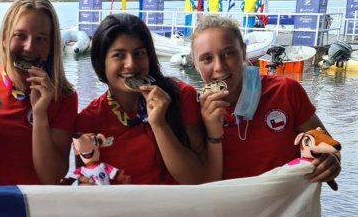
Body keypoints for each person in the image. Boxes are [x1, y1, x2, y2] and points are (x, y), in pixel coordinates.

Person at [75, 13, 223, 185]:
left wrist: (159, 124)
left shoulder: (181, 96)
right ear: (100, 62)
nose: (131, 64)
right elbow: (88, 183)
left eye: (139, 53)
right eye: (118, 55)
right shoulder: (88, 121)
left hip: (178, 209)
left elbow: (196, 179)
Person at [190, 15, 341, 183]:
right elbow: (196, 180)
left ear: (243, 51)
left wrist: (330, 161)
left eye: (228, 53)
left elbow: (328, 145)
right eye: (207, 59)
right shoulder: (192, 111)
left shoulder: (285, 91)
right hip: (227, 208)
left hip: (283, 206)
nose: (219, 67)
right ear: (195, 64)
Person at [0, 0, 78, 186]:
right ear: (5, 38)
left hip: (39, 210)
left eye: (40, 39)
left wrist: (40, 114)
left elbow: (52, 178)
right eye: (20, 36)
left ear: (51, 46)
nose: (29, 47)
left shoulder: (64, 95)